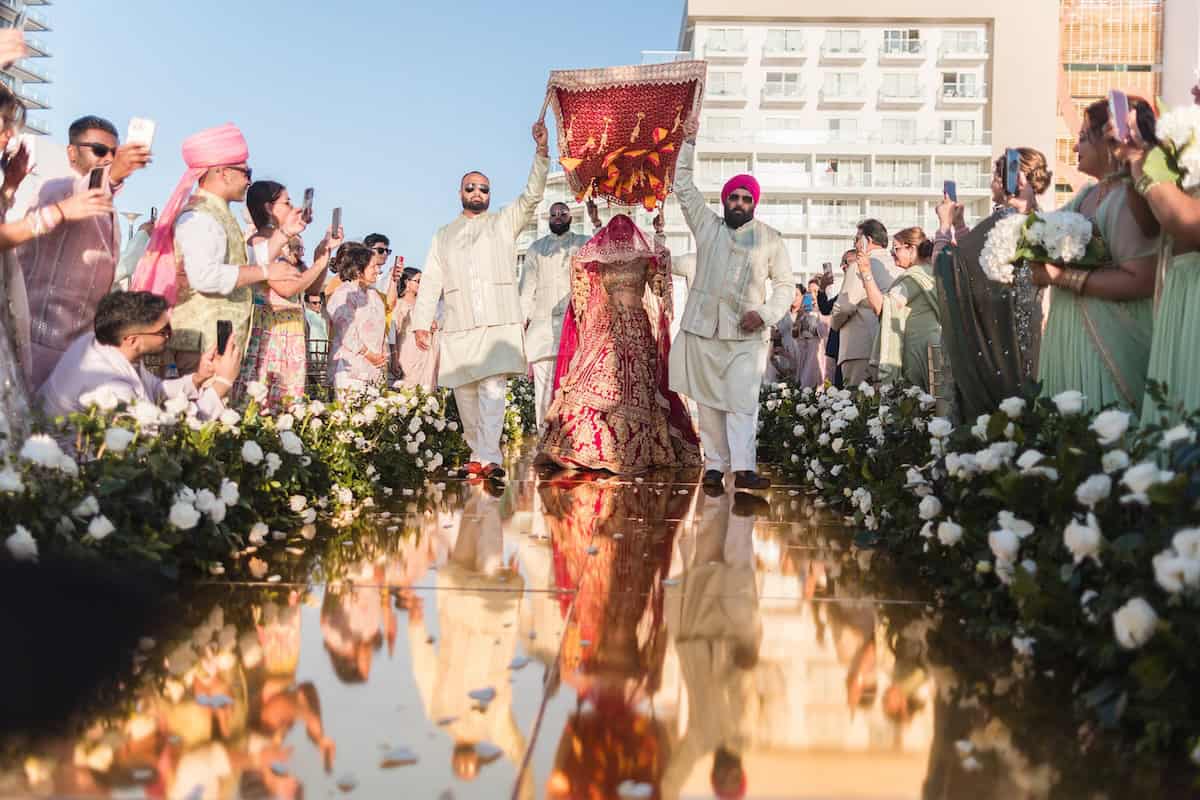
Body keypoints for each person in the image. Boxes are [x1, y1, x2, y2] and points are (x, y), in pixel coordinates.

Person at [411, 120, 550, 480]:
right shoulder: (443, 235)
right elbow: (431, 280)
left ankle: (491, 459)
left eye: (483, 189)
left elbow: (532, 195)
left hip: (497, 323)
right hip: (459, 325)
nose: (477, 193)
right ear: (459, 193)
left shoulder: (504, 222)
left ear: (489, 195)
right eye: (470, 188)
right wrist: (421, 323)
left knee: (492, 393)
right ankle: (479, 453)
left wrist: (541, 153)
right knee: (465, 397)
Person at [670, 116, 793, 492]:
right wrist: (688, 140)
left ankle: (743, 469)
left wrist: (767, 314)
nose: (739, 203)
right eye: (734, 197)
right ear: (724, 200)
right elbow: (682, 185)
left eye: (746, 198)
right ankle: (714, 466)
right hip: (705, 329)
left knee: (742, 402)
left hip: (746, 333)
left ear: (754, 203)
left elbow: (785, 285)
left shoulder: (771, 239)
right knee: (708, 404)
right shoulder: (707, 226)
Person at [536, 214, 701, 473]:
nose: (621, 236)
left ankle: (629, 450)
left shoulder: (644, 259)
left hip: (637, 326)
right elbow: (584, 278)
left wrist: (660, 236)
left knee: (640, 383)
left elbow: (659, 286)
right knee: (590, 378)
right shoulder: (601, 260)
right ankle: (584, 447)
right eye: (616, 231)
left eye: (626, 231)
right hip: (607, 327)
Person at [131, 124, 300, 373]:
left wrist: (285, 233)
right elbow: (205, 276)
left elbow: (243, 262)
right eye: (246, 172)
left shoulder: (218, 213)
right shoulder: (199, 217)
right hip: (201, 348)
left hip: (215, 343)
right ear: (222, 172)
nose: (249, 181)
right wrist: (265, 272)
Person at [1033, 98, 1159, 414]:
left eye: (1082, 138)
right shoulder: (1086, 196)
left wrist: (1063, 277)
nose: (1075, 148)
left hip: (1110, 344)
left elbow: (1142, 279)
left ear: (1109, 141)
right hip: (1068, 337)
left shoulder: (1127, 200)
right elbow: (1038, 236)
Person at [20, 115, 152, 387]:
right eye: (100, 151)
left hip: (77, 348)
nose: (107, 158)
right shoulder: (57, 188)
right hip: (37, 340)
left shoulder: (107, 209)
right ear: (72, 152)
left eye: (114, 153)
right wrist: (114, 173)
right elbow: (84, 189)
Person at [934, 148, 1052, 420]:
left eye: (996, 176)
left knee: (993, 412)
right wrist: (961, 225)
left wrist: (943, 226)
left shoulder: (1002, 222)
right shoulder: (1042, 221)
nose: (991, 183)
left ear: (1014, 178)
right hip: (1030, 332)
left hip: (994, 338)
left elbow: (948, 267)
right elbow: (978, 260)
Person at [1109, 97, 1200, 423]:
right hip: (1180, 286)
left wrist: (1147, 165)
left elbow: (1190, 224)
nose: (1193, 88)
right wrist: (1135, 163)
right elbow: (1150, 224)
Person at [37, 290, 239, 422]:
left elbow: (155, 389)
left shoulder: (103, 342)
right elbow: (162, 440)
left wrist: (199, 377)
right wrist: (222, 384)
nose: (171, 335)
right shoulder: (110, 387)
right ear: (132, 340)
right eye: (164, 331)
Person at [238, 181, 340, 408]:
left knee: (288, 402)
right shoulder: (258, 241)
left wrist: (323, 253)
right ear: (268, 208)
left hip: (292, 328)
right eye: (286, 202)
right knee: (265, 400)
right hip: (272, 330)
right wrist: (319, 263)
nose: (293, 207)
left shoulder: (286, 245)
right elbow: (286, 289)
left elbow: (312, 289)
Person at [519, 200, 596, 430]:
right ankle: (545, 440)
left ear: (571, 217)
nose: (558, 216)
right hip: (542, 331)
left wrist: (595, 221)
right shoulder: (536, 248)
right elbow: (526, 290)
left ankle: (570, 439)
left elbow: (602, 252)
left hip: (574, 328)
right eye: (554, 214)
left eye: (563, 212)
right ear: (548, 219)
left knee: (573, 387)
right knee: (543, 390)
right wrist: (520, 324)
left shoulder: (582, 243)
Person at [858, 227, 941, 390]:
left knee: (916, 408)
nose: (892, 254)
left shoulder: (914, 278)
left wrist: (866, 272)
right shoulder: (930, 272)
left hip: (917, 352)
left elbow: (882, 307)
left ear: (911, 248)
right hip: (932, 347)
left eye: (895, 248)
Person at [831, 219, 898, 387]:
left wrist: (834, 325)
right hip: (893, 350)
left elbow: (844, 307)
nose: (855, 244)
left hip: (861, 349)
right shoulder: (898, 267)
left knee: (857, 405)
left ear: (866, 240)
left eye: (856, 240)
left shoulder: (859, 266)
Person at [326, 242, 388, 391]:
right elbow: (346, 331)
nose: (377, 271)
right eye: (373, 266)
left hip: (374, 368)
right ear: (359, 269)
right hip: (350, 368)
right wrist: (369, 354)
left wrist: (382, 354)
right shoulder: (343, 293)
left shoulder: (374, 295)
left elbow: (381, 328)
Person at [391, 266, 440, 389]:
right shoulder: (399, 304)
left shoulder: (424, 306)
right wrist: (394, 358)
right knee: (408, 389)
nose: (422, 285)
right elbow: (393, 332)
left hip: (427, 353)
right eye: (418, 281)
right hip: (407, 353)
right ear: (407, 282)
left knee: (426, 389)